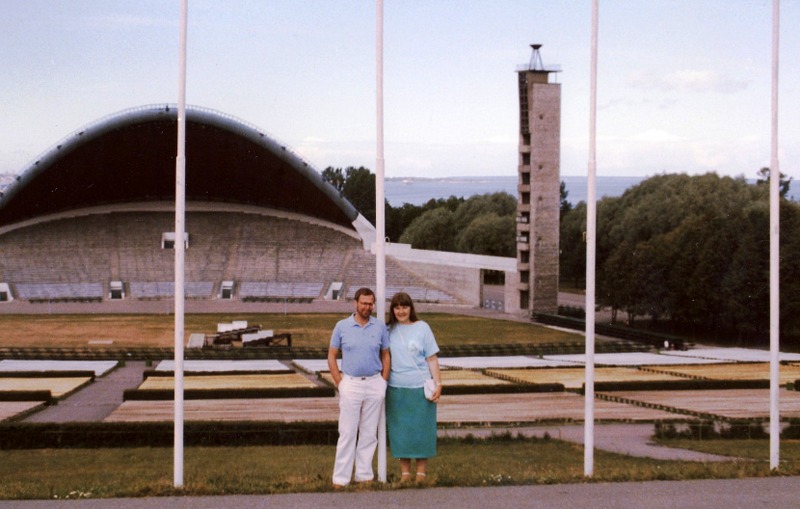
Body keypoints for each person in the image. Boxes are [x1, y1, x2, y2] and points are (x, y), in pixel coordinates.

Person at [328, 287, 390, 488]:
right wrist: (340, 382)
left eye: (370, 303)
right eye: (363, 303)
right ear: (356, 303)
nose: (367, 307)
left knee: (369, 433)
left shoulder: (380, 327)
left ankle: (363, 476)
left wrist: (383, 381)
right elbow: (332, 355)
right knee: (347, 432)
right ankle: (340, 479)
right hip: (351, 384)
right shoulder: (342, 326)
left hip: (374, 383)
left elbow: (386, 355)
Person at [385, 291, 442, 483]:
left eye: (405, 307)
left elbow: (432, 358)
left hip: (420, 388)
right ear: (392, 310)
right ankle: (405, 474)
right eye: (397, 307)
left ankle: (421, 474)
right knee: (400, 433)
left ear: (411, 308)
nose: (401, 311)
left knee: (421, 431)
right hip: (396, 389)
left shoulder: (422, 327)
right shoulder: (388, 331)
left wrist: (438, 383)